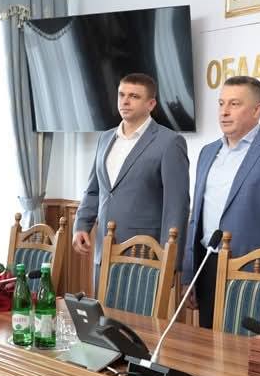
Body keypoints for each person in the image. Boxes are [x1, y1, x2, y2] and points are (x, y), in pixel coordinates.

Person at [183, 76, 260, 328]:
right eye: (221, 103)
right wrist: (189, 274)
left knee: (245, 348)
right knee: (208, 346)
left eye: (234, 104)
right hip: (208, 267)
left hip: (255, 273)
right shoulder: (207, 152)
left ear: (257, 110)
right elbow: (196, 219)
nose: (224, 112)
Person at [72, 73, 190, 284]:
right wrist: (82, 225)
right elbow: (94, 190)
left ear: (151, 104)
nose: (125, 101)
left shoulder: (170, 142)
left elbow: (177, 205)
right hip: (103, 252)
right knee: (102, 307)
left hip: (145, 256)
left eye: (134, 96)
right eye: (122, 95)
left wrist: (170, 260)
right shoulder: (105, 138)